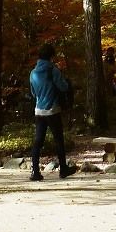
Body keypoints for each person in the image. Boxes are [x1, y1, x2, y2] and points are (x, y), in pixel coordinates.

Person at [29, 44, 77, 181]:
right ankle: (63, 169)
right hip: (53, 110)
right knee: (59, 141)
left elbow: (33, 93)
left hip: (39, 111)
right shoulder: (52, 70)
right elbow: (63, 87)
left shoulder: (32, 73)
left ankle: (35, 172)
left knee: (38, 142)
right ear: (51, 56)